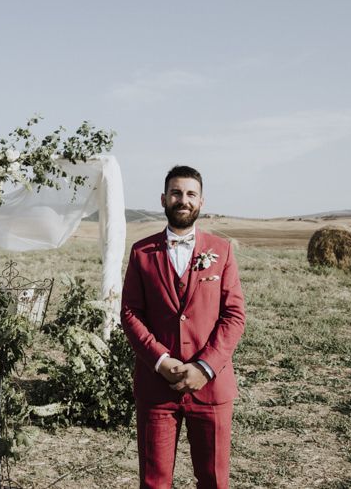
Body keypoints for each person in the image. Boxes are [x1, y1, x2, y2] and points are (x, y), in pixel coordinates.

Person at [121, 165, 246, 489]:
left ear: (201, 202)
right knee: (154, 482)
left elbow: (234, 316)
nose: (183, 200)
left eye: (190, 194)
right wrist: (161, 361)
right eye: (176, 193)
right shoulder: (141, 252)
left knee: (213, 481)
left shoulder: (222, 251)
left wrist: (205, 367)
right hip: (156, 385)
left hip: (211, 387)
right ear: (163, 199)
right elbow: (130, 313)